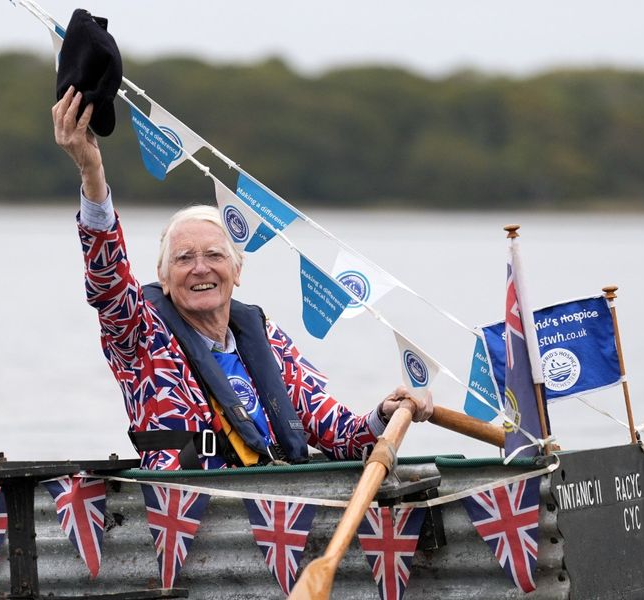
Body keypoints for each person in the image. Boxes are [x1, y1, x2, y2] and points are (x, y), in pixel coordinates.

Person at [53, 87, 433, 470]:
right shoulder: (140, 334)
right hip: (188, 505)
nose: (200, 268)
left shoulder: (266, 338)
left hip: (282, 500)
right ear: (163, 279)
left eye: (215, 255)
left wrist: (385, 414)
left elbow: (341, 436)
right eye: (184, 259)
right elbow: (108, 281)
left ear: (237, 271)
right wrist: (92, 173)